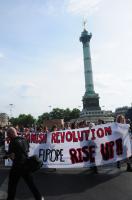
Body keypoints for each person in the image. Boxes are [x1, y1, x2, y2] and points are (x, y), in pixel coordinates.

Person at [4, 127, 44, 200]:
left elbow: (12, 156)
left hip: (17, 167)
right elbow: (27, 150)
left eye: (8, 134)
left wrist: (6, 155)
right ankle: (39, 197)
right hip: (26, 165)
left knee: (12, 185)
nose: (8, 136)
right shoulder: (24, 139)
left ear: (11, 134)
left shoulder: (13, 142)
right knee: (31, 184)